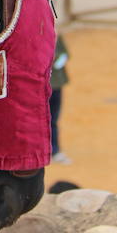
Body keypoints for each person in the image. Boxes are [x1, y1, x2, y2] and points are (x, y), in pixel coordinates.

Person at [49, 32, 70, 163]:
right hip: (41, 87)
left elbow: (64, 55)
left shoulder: (57, 35)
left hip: (55, 86)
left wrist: (56, 62)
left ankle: (54, 150)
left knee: (53, 119)